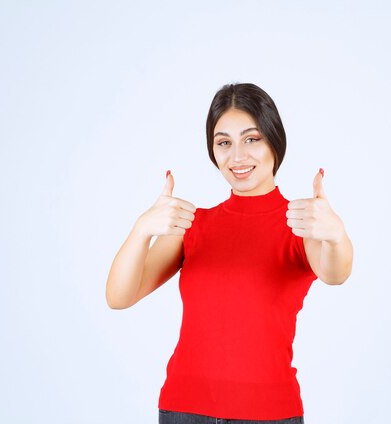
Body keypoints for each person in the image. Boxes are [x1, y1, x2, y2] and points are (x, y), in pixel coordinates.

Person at [105, 83, 353, 424]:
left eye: (252, 139)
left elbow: (335, 273)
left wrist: (337, 236)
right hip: (184, 411)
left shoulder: (299, 224)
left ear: (274, 140)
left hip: (269, 414)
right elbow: (119, 296)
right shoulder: (194, 225)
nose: (238, 157)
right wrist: (142, 229)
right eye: (224, 143)